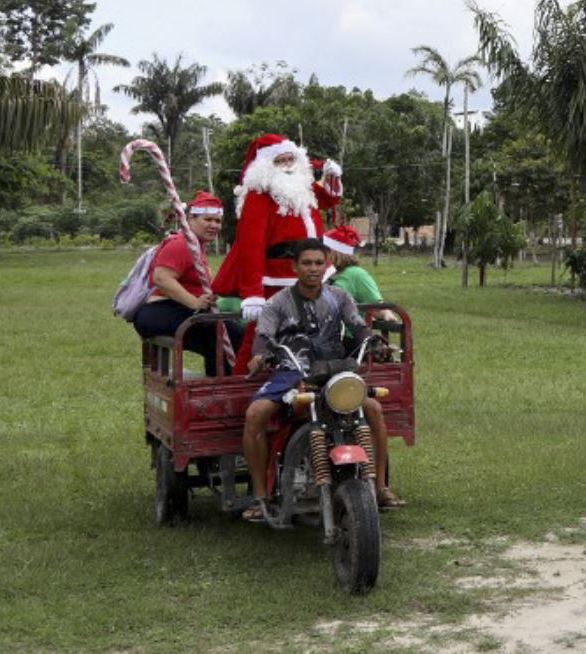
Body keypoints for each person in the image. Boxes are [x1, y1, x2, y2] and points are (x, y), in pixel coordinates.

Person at [240, 239, 403, 518]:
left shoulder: (339, 297)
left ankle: (380, 486)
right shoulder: (277, 303)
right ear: (295, 267)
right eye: (306, 263)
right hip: (292, 370)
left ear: (326, 264)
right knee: (255, 414)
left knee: (374, 410)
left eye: (318, 263)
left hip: (334, 370)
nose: (313, 269)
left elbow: (357, 326)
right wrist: (259, 355)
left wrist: (372, 341)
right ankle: (260, 497)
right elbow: (262, 337)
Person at [212, 133, 343, 369]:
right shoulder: (258, 196)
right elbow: (250, 245)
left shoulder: (303, 188)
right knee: (262, 335)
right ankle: (242, 386)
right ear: (264, 165)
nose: (287, 165)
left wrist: (331, 177)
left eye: (290, 159)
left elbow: (327, 199)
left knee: (314, 331)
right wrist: (252, 292)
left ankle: (312, 377)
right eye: (280, 161)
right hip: (276, 278)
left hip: (312, 272)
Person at [131, 191, 241, 373]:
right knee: (231, 333)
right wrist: (195, 302)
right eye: (208, 220)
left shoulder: (197, 245)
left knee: (223, 336)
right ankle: (223, 389)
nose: (214, 225)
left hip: (176, 311)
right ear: (190, 219)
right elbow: (161, 278)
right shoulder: (182, 244)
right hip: (160, 312)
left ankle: (217, 386)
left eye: (218, 221)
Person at [323, 225, 382, 304]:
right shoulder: (327, 272)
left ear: (336, 252)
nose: (321, 253)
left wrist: (387, 314)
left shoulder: (356, 274)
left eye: (325, 249)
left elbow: (379, 307)